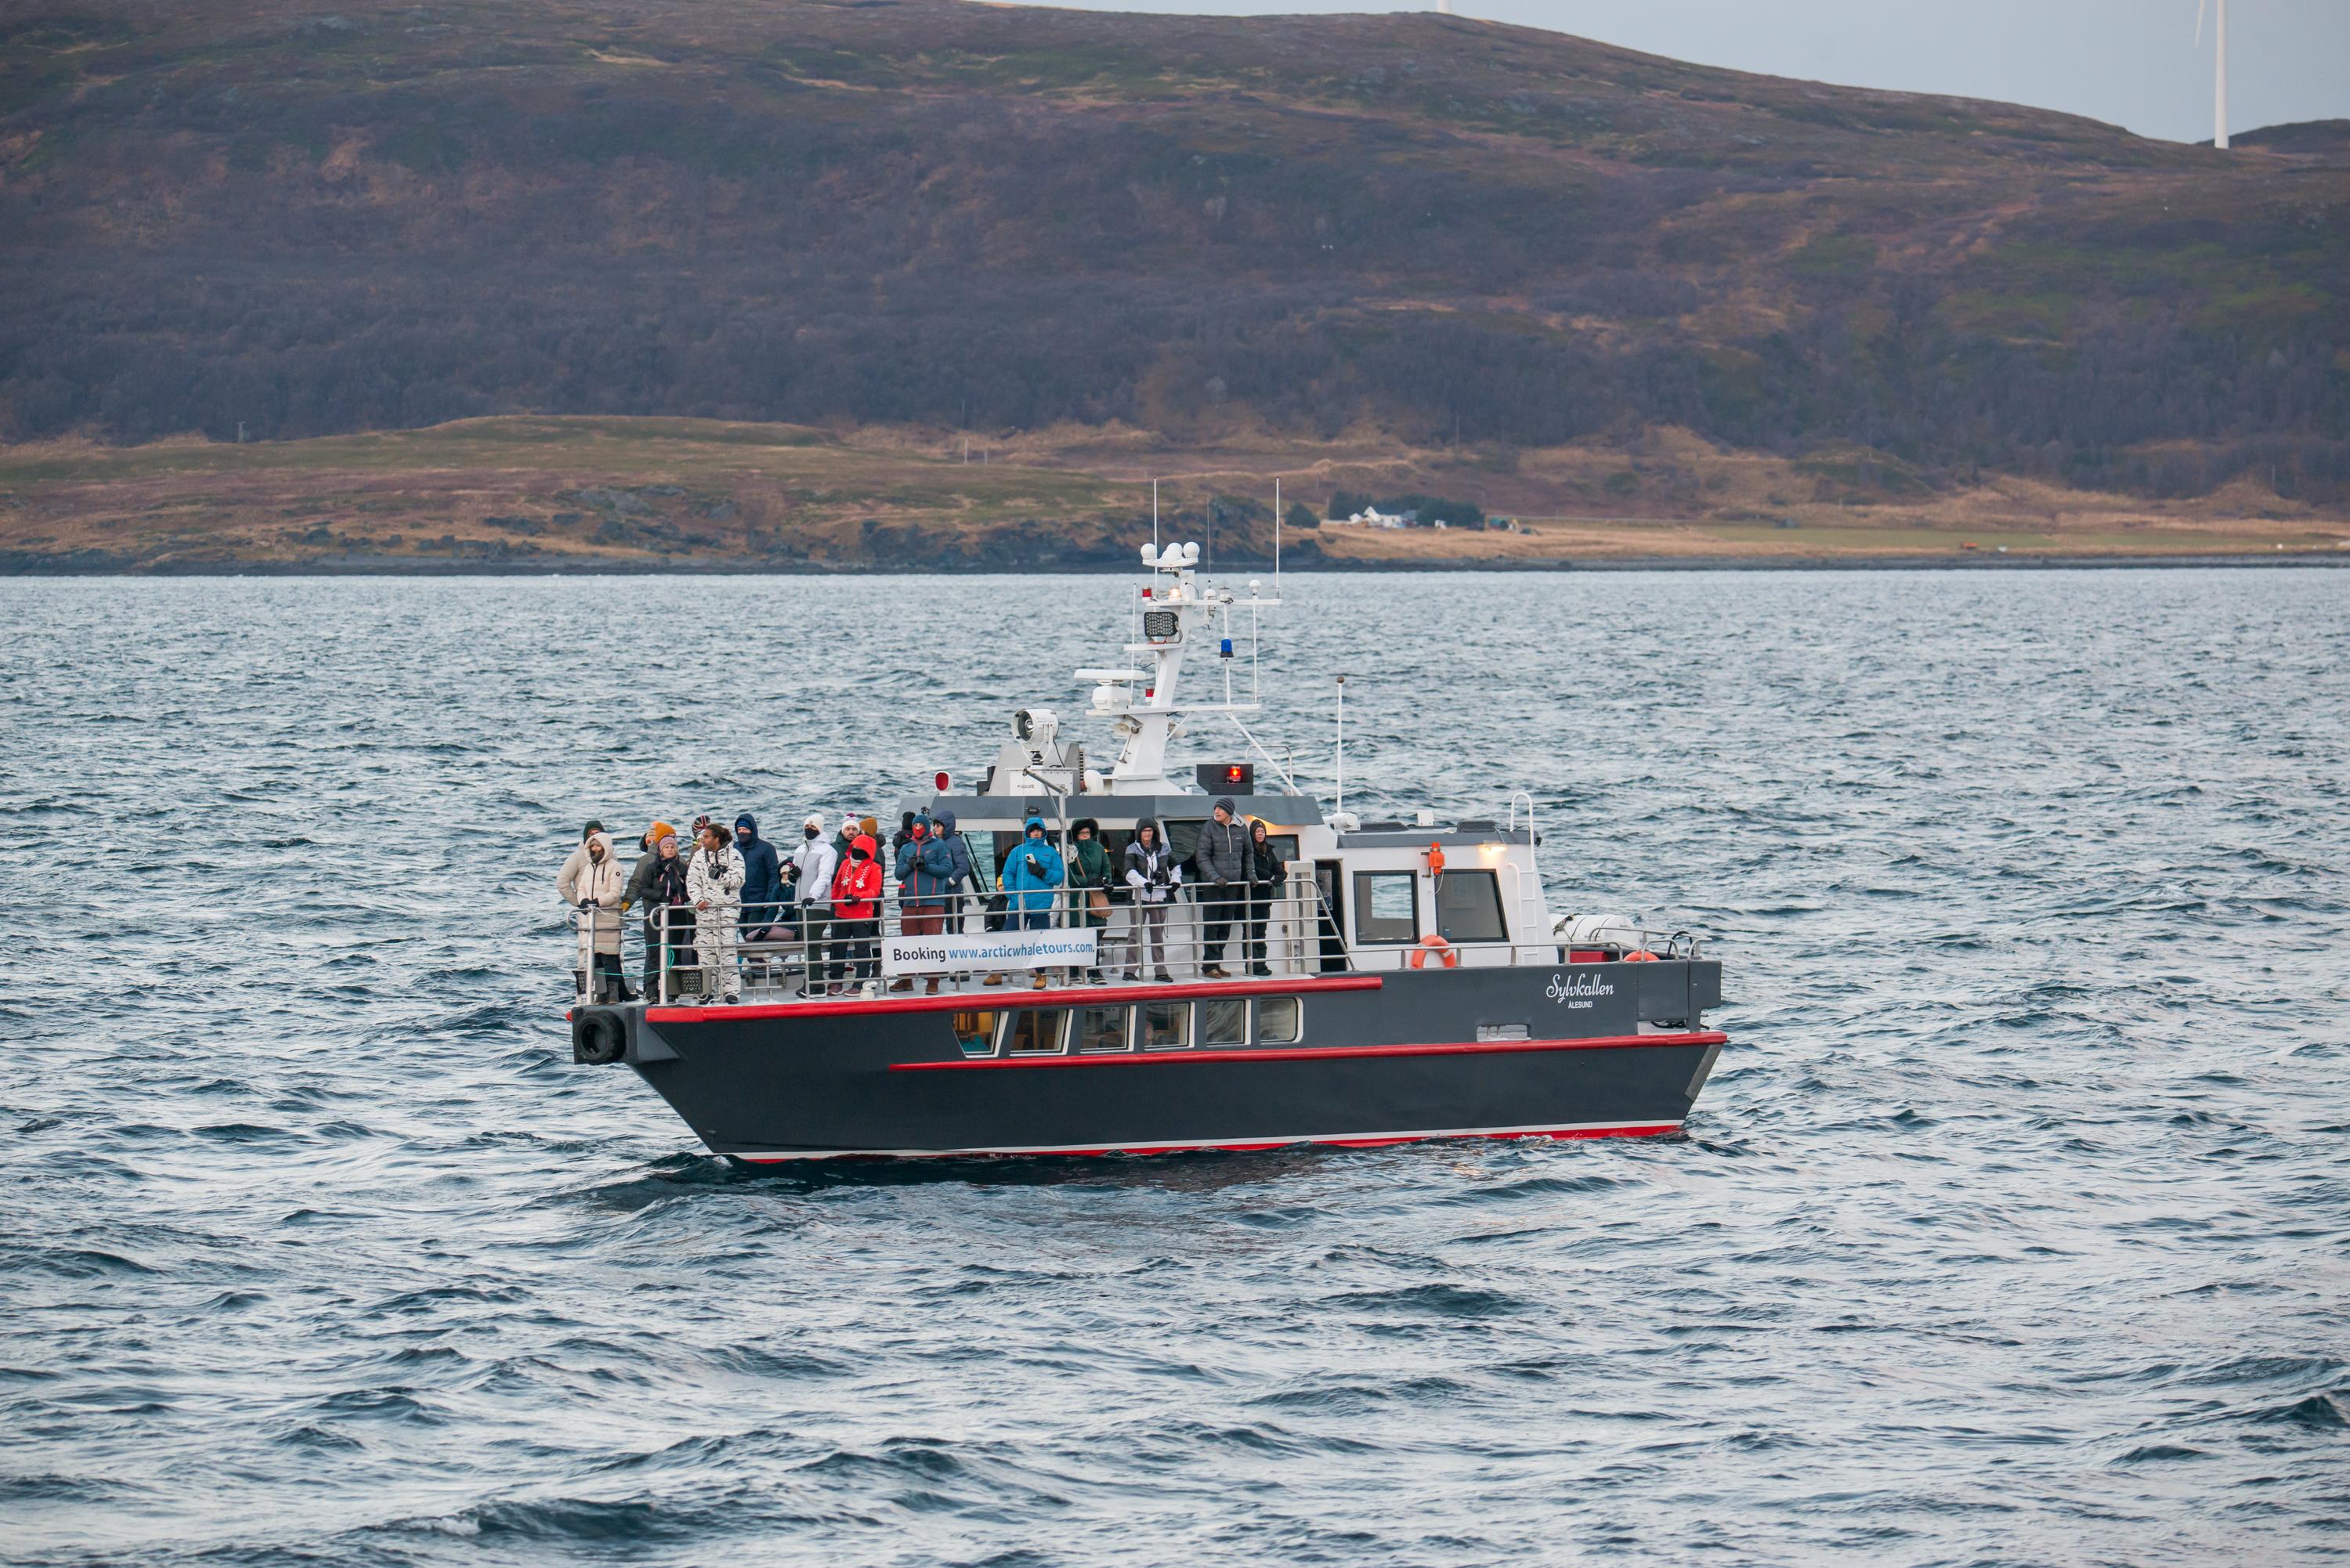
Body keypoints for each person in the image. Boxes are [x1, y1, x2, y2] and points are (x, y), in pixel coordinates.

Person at [558, 828, 627, 1002]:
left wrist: (597, 902)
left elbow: (615, 893)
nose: (595, 849)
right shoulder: (588, 868)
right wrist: (581, 901)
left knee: (610, 957)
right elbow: (580, 887)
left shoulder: (615, 867)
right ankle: (601, 994)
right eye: (593, 846)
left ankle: (613, 994)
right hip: (592, 921)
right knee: (595, 959)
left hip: (608, 919)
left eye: (598, 846)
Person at [997, 817, 1066, 991]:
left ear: (1043, 832)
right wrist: (1014, 897)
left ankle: (1041, 975)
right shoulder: (1018, 851)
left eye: (1039, 830)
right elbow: (1007, 874)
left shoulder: (1050, 852)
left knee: (1039, 940)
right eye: (1033, 830)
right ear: (1028, 832)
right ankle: (997, 971)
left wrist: (1042, 872)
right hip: (1018, 905)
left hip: (1041, 905)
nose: (1036, 833)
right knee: (1008, 936)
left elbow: (1059, 876)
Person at [891, 813, 956, 994]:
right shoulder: (906, 848)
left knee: (932, 942)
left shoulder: (940, 845)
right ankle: (906, 979)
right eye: (916, 825)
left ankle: (932, 981)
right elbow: (898, 874)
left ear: (927, 827)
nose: (918, 828)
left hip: (933, 901)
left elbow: (947, 869)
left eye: (921, 825)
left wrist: (926, 866)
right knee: (908, 943)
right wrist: (909, 866)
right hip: (911, 902)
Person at [686, 822, 746, 1004]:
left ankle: (732, 991)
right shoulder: (698, 857)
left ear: (717, 839)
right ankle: (706, 990)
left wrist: (721, 876)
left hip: (727, 912)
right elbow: (692, 881)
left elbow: (739, 881)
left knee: (727, 952)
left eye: (706, 837)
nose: (702, 840)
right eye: (702, 837)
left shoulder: (734, 855)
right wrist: (698, 900)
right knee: (705, 954)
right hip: (705, 914)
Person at [1191, 797, 1249, 978]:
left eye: (1220, 809)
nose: (1216, 812)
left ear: (1229, 812)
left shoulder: (1241, 828)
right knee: (1212, 926)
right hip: (1214, 886)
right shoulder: (1209, 827)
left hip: (1233, 885)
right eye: (1215, 809)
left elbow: (1248, 854)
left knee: (1225, 925)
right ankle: (1209, 966)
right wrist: (1215, 877)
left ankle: (1216, 962)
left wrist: (1252, 874)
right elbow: (1202, 857)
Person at [623, 819, 678, 999]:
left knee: (671, 952)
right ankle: (651, 990)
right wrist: (627, 902)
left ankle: (669, 989)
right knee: (654, 952)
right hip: (653, 913)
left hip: (675, 914)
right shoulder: (647, 860)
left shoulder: (679, 861)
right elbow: (637, 884)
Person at [1123, 819, 1180, 983]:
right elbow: (1129, 871)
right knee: (1135, 934)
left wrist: (1176, 880)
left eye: (1150, 830)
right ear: (1139, 833)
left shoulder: (1164, 848)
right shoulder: (1132, 849)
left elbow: (1176, 866)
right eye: (1144, 830)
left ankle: (1160, 971)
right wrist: (1144, 883)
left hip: (1159, 896)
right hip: (1138, 897)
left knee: (1157, 934)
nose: (1147, 833)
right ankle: (1130, 970)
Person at [788, 813, 839, 998]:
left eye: (813, 825)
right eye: (807, 824)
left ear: (820, 828)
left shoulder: (827, 851)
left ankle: (816, 985)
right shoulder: (800, 850)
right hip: (799, 904)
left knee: (813, 945)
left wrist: (813, 896)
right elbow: (795, 876)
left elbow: (825, 876)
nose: (809, 827)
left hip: (817, 905)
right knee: (806, 945)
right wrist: (792, 877)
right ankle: (810, 981)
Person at [829, 833, 884, 994]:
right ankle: (836, 982)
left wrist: (858, 897)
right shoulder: (845, 864)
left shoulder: (875, 868)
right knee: (838, 948)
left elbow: (874, 891)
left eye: (860, 848)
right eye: (855, 847)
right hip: (841, 914)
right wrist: (836, 900)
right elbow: (837, 885)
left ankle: (860, 983)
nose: (856, 850)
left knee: (862, 950)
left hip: (862, 915)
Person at [1066, 818, 1113, 984]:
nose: (1085, 836)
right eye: (1081, 833)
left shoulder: (1099, 849)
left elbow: (1107, 869)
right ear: (1076, 835)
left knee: (1096, 933)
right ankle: (1073, 971)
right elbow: (1070, 876)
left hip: (1095, 898)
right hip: (1076, 900)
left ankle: (1094, 970)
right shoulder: (1070, 850)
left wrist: (1106, 882)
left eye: (1087, 832)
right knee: (1075, 934)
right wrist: (1089, 882)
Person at [1243, 818, 1286, 977]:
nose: (1260, 834)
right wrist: (1270, 877)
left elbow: (1280, 870)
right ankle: (1252, 965)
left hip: (1264, 900)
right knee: (1250, 934)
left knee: (1261, 933)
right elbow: (1251, 869)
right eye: (1257, 831)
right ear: (1252, 834)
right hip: (1250, 899)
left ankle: (1261, 964)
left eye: (1262, 831)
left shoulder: (1269, 851)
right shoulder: (1248, 851)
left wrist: (1278, 877)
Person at [734, 814, 783, 944]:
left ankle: (759, 964)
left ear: (753, 830)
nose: (742, 833)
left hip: (759, 902)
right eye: (739, 830)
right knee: (745, 937)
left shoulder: (766, 848)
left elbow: (774, 875)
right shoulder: (734, 848)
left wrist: (769, 898)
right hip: (739, 902)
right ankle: (754, 963)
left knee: (754, 938)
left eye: (745, 829)